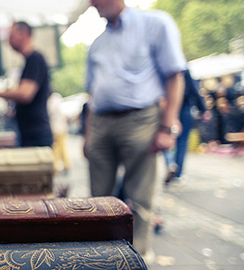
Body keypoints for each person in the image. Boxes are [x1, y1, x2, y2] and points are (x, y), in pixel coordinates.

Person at [83, 0, 186, 263]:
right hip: (102, 122)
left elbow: (174, 75)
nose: (91, 3)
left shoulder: (155, 24)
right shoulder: (97, 43)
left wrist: (168, 126)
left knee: (140, 199)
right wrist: (88, 134)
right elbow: (92, 95)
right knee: (99, 201)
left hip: (141, 118)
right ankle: (101, 260)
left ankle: (136, 260)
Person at [0, 21, 53, 147]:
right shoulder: (30, 60)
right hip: (30, 133)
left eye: (11, 36)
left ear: (24, 34)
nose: (8, 41)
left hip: (36, 135)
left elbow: (25, 94)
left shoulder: (35, 59)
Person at [164, 70, 211, 184]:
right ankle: (177, 173)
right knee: (182, 141)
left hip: (166, 106)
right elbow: (194, 89)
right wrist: (203, 109)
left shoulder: (159, 64)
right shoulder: (182, 67)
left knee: (163, 136)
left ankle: (170, 163)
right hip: (184, 107)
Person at [48, 92, 71, 173]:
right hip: (61, 127)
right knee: (63, 147)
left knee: (56, 148)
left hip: (55, 128)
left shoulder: (51, 101)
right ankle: (66, 164)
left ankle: (55, 167)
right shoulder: (57, 98)